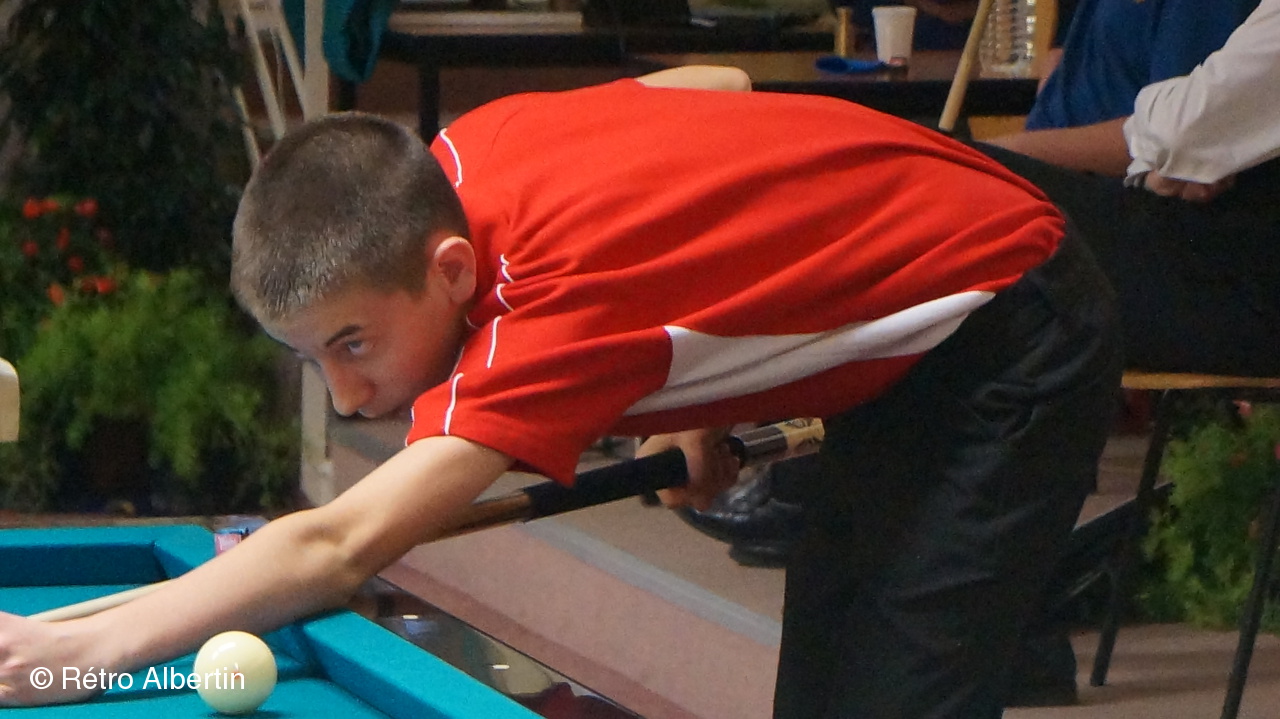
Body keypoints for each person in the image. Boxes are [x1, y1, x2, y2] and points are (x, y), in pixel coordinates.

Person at [0, 65, 1122, 718]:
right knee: (830, 677)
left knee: (900, 689)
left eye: (354, 343)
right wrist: (700, 391)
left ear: (450, 270)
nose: (344, 395)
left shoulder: (542, 312)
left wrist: (74, 657)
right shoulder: (467, 151)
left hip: (1011, 321)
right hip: (931, 282)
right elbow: (709, 94)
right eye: (313, 358)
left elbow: (338, 543)